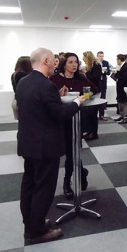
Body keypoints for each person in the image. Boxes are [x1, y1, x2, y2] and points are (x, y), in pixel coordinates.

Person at [16, 48, 85, 244]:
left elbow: (39, 108)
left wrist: (56, 94)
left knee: (29, 184)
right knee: (44, 189)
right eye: (54, 60)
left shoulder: (23, 82)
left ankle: (30, 224)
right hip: (45, 147)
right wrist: (77, 103)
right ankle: (36, 231)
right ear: (46, 61)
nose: (56, 62)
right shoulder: (45, 85)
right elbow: (60, 115)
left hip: (28, 143)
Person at [49, 52, 98, 199]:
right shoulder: (55, 79)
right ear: (64, 64)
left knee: (72, 151)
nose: (74, 65)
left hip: (77, 120)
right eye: (70, 62)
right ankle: (82, 172)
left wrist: (84, 97)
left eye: (76, 62)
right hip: (60, 119)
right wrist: (59, 95)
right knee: (67, 151)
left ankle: (66, 182)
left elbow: (94, 89)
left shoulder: (81, 78)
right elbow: (50, 97)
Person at [112, 54, 127, 124]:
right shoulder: (122, 66)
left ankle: (126, 117)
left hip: (124, 88)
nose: (117, 62)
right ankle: (122, 115)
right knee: (120, 101)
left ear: (119, 60)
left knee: (124, 102)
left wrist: (116, 73)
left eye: (117, 60)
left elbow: (123, 78)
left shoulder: (126, 67)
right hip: (120, 87)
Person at [96, 51, 111, 121]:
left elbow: (108, 72)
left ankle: (101, 115)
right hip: (96, 83)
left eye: (102, 56)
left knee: (102, 99)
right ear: (97, 56)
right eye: (100, 56)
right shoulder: (95, 63)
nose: (101, 57)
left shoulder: (106, 63)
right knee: (95, 99)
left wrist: (104, 72)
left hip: (103, 83)